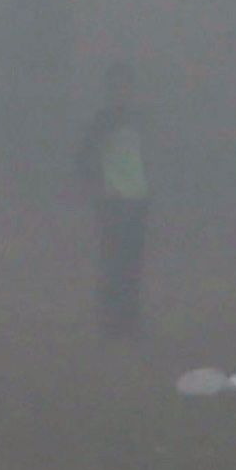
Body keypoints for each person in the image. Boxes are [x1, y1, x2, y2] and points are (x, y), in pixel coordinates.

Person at [79, 61, 154, 341]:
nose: (123, 91)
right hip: (112, 202)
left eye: (127, 85)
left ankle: (129, 322)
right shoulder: (103, 121)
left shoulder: (139, 120)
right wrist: (97, 186)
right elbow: (84, 159)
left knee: (132, 264)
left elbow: (148, 158)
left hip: (138, 200)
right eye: (118, 85)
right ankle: (110, 324)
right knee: (113, 263)